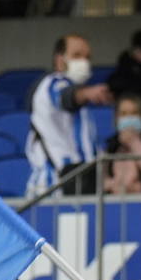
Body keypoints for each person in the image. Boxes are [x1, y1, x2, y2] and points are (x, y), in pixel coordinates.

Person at [26, 33, 112, 196]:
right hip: (53, 188)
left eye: (87, 57)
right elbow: (65, 97)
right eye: (77, 55)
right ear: (60, 60)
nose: (84, 62)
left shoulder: (83, 105)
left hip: (82, 186)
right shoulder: (51, 83)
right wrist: (87, 94)